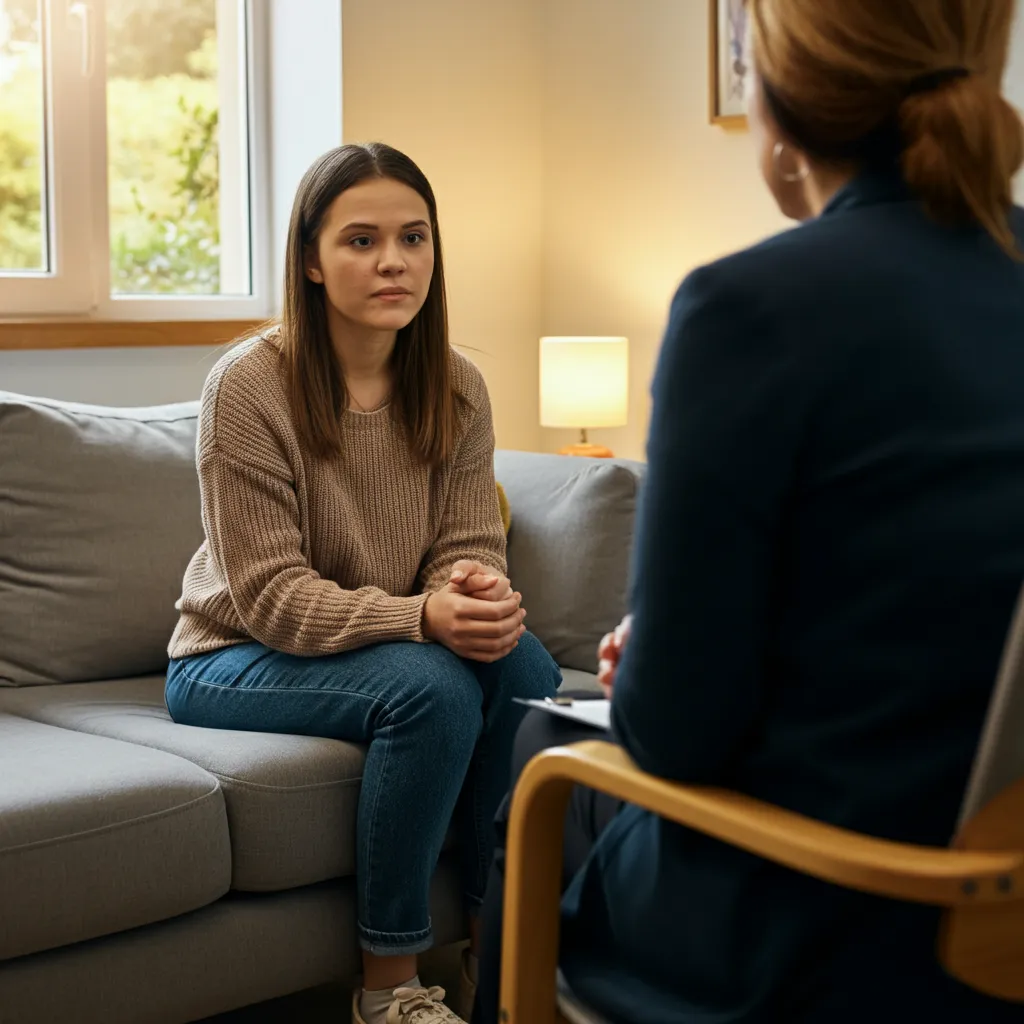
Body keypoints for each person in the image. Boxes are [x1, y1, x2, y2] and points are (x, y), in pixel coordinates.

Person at [474, 1, 1024, 1021]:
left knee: (542, 770)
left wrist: (652, 662)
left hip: (839, 925)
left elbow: (676, 735)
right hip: (1003, 910)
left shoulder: (748, 310)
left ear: (775, 111)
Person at [163, 142, 561, 1024]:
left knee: (529, 674)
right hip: (234, 651)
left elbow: (468, 539)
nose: (394, 261)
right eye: (361, 240)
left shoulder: (457, 386)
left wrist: (477, 589)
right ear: (311, 258)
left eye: (414, 238)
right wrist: (425, 617)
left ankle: (507, 967)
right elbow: (267, 595)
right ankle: (390, 990)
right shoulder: (248, 386)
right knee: (432, 693)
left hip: (372, 634)